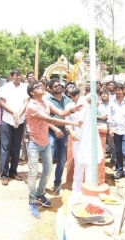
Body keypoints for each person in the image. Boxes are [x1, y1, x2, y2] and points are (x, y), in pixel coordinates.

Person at [26, 82, 83, 218]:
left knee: (48, 170)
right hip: (34, 142)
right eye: (37, 87)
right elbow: (51, 120)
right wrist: (72, 123)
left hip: (45, 141)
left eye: (41, 85)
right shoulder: (32, 106)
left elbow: (61, 113)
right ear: (32, 93)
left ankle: (40, 194)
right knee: (33, 173)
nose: (40, 87)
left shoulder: (46, 102)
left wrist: (73, 110)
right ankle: (32, 200)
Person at [65, 87, 103, 194]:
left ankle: (88, 190)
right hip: (77, 137)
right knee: (79, 164)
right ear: (68, 94)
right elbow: (67, 123)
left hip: (90, 136)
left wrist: (94, 101)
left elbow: (96, 103)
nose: (73, 89)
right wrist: (72, 133)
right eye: (70, 88)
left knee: (91, 163)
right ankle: (76, 190)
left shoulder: (86, 100)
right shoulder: (69, 106)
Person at [0, 69, 29, 185]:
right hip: (7, 120)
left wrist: (19, 115)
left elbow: (26, 102)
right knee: (5, 147)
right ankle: (4, 174)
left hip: (20, 121)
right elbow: (2, 102)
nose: (17, 78)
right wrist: (13, 113)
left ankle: (13, 171)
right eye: (15, 76)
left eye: (19, 76)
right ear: (11, 77)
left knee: (17, 147)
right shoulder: (6, 87)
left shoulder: (24, 87)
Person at [47, 78, 71, 194]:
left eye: (60, 85)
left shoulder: (68, 100)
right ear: (51, 89)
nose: (58, 87)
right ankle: (43, 185)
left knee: (62, 160)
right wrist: (54, 129)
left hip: (64, 134)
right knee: (49, 160)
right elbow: (44, 119)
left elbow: (71, 117)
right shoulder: (47, 101)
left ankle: (57, 184)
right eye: (55, 86)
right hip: (51, 133)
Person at [97, 90, 116, 169]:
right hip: (100, 127)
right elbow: (92, 114)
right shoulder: (97, 104)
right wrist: (100, 117)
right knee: (100, 145)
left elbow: (115, 114)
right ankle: (101, 162)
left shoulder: (113, 104)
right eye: (102, 94)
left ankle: (113, 160)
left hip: (110, 127)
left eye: (105, 94)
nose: (103, 95)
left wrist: (109, 117)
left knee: (112, 145)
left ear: (108, 95)